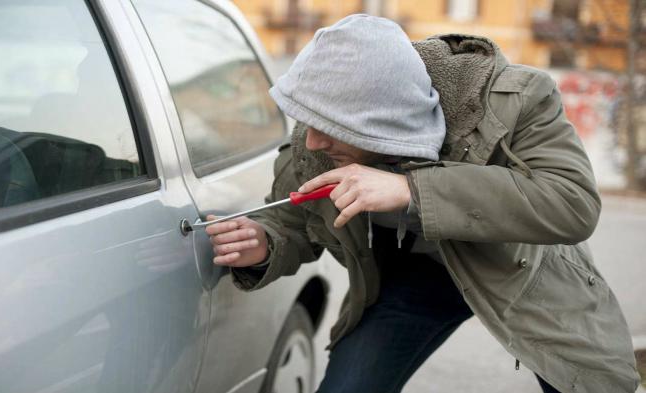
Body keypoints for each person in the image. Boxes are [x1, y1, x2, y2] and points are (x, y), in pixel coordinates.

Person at [206, 14, 641, 393]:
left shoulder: (518, 99)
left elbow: (572, 202)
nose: (313, 139)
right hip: (412, 282)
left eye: (331, 128)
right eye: (309, 121)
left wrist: (412, 191)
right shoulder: (316, 137)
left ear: (382, 120)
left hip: (521, 272)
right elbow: (298, 218)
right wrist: (266, 243)